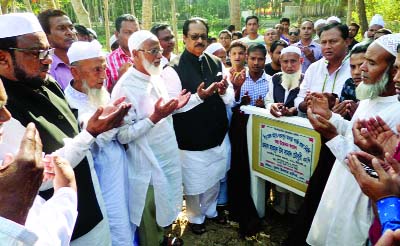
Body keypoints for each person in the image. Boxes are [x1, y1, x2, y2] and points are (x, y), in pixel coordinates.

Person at [0, 12, 130, 245]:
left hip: (91, 204)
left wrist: (91, 126)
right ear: (2, 58)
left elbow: (70, 134)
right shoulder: (4, 111)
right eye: (36, 53)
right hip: (60, 228)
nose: (47, 59)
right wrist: (90, 134)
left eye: (47, 51)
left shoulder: (47, 82)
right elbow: (35, 177)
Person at [306, 33, 400, 245]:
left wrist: (331, 136)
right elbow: (354, 133)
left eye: (372, 63)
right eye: (363, 61)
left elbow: (373, 165)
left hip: (363, 198)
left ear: (393, 70)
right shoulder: (370, 95)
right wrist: (330, 117)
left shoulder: (397, 109)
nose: (362, 68)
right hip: (341, 184)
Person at [111, 30, 189, 246]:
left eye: (160, 50)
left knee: (164, 207)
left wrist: (174, 108)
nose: (160, 56)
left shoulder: (155, 76)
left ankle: (163, 239)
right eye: (153, 51)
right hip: (146, 166)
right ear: (135, 54)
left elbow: (162, 113)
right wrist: (155, 117)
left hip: (166, 156)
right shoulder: (124, 88)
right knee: (149, 218)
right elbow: (122, 135)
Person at [161, 17, 234, 235]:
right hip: (190, 137)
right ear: (184, 38)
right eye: (194, 36)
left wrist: (223, 92)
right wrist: (198, 97)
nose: (199, 40)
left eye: (203, 36)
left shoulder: (216, 61)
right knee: (194, 182)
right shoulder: (172, 69)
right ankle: (194, 216)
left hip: (217, 133)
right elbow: (172, 107)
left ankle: (210, 210)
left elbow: (229, 96)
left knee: (214, 175)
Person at [64, 40, 134, 245]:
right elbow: (96, 138)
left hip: (119, 168)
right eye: (96, 70)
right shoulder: (70, 103)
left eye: (104, 68)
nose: (103, 75)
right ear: (75, 73)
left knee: (126, 218)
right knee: (114, 224)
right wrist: (113, 123)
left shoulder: (100, 92)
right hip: (99, 179)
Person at [295, 23, 351, 114]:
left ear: (347, 42)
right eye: (323, 42)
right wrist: (305, 104)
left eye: (333, 41)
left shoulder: (356, 68)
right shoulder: (314, 68)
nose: (327, 46)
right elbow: (299, 98)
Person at [37, 9, 77, 90]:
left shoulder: (85, 60)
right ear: (46, 35)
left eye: (71, 27)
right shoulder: (44, 68)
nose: (70, 33)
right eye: (61, 28)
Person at [266, 46, 303, 118]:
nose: (289, 65)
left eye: (293, 61)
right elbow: (268, 101)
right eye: (285, 61)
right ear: (280, 62)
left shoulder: (306, 80)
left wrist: (296, 111)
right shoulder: (275, 78)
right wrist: (272, 105)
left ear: (301, 61)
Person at [106, 14, 140, 91]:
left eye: (136, 32)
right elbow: (106, 97)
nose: (134, 36)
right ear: (117, 35)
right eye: (128, 32)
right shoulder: (107, 61)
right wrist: (121, 78)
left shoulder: (149, 56)